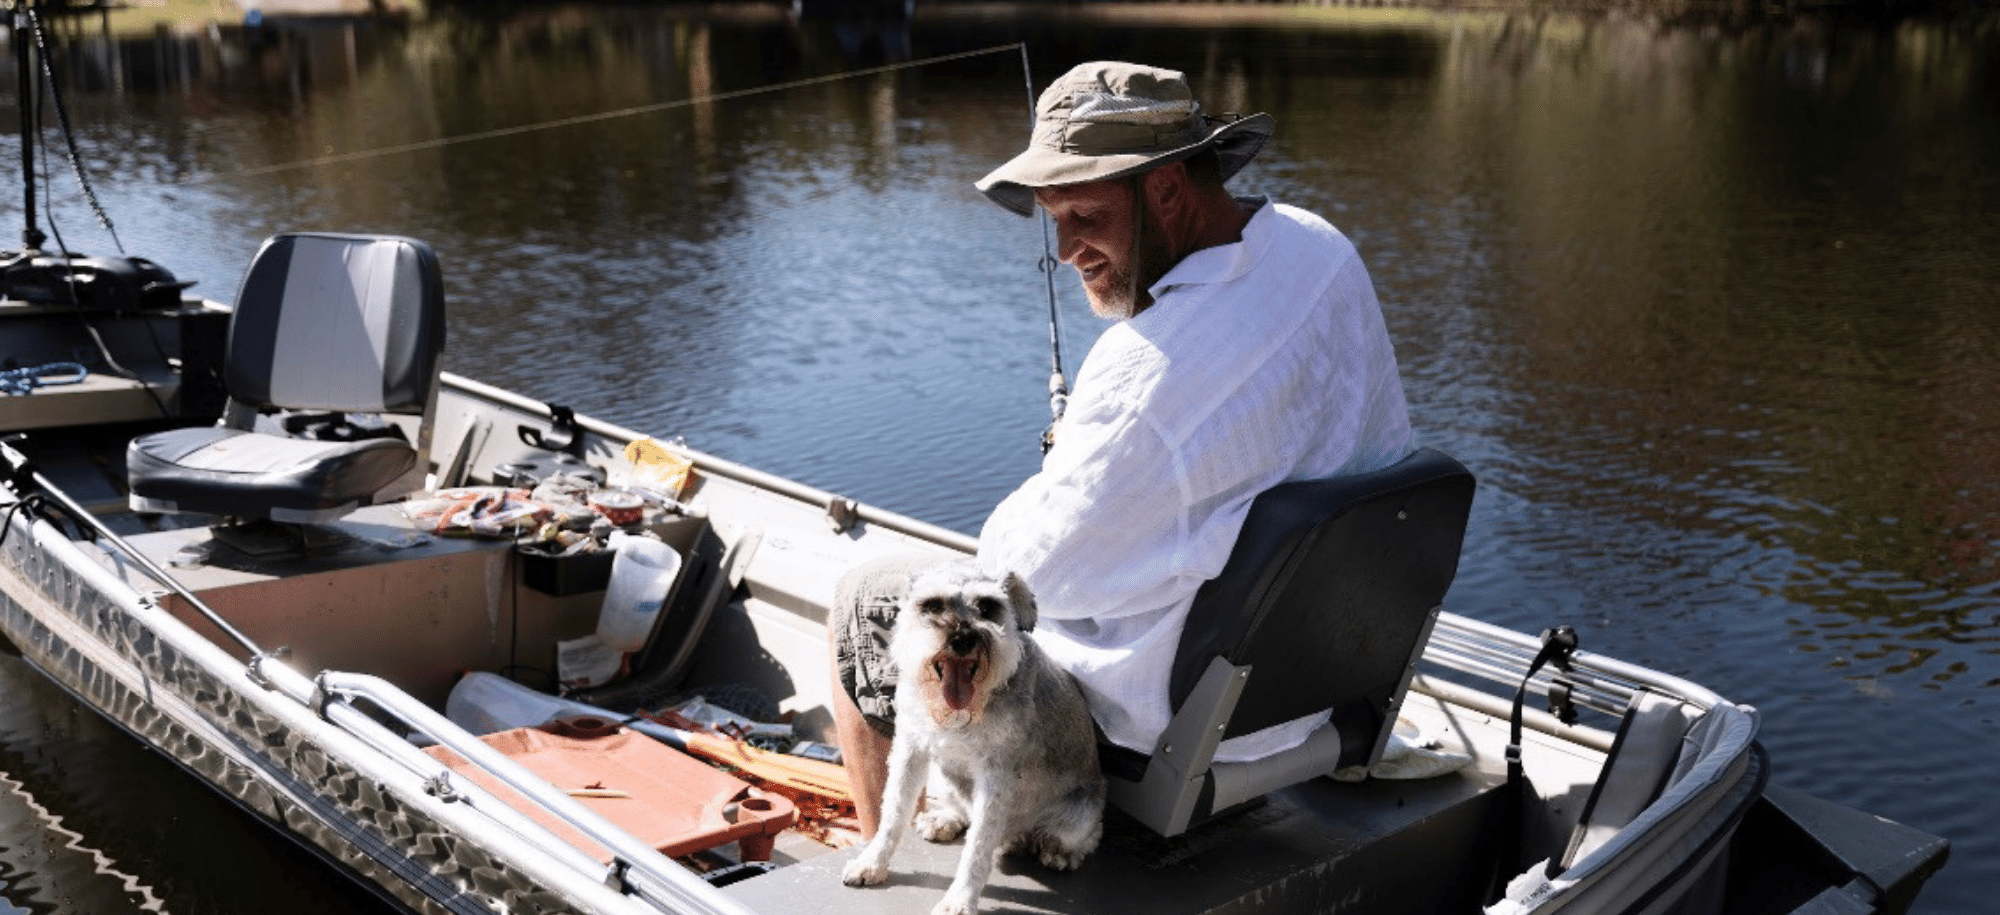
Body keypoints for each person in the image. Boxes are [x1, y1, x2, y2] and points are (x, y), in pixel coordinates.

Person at [830, 61, 1413, 838]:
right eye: (1053, 219)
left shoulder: (1142, 374)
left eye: (1083, 214)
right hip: (1313, 693)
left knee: (867, 597)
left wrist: (1068, 452)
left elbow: (1019, 580)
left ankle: (888, 866)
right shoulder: (1322, 248)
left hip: (1169, 723)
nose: (1067, 250)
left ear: (1167, 188)